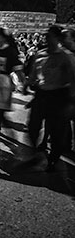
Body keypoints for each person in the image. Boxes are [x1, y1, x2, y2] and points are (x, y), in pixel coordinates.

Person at [26, 26, 75, 171]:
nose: (47, 39)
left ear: (58, 39)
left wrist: (71, 100)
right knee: (33, 125)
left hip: (59, 95)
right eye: (47, 36)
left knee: (56, 131)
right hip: (42, 94)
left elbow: (73, 79)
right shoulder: (40, 54)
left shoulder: (66, 57)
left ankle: (53, 159)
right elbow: (34, 73)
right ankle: (36, 152)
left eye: (51, 37)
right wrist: (27, 84)